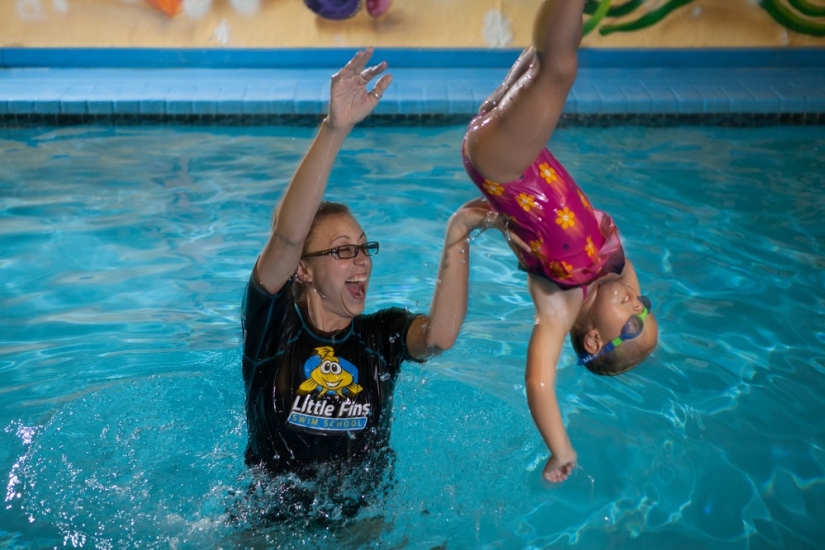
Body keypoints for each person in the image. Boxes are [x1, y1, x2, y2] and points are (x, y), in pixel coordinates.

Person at [240, 49, 495, 509]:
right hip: (272, 523)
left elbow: (440, 337)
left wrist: (457, 234)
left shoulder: (381, 334)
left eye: (362, 247)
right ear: (303, 268)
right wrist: (335, 129)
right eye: (341, 251)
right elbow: (287, 235)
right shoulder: (273, 327)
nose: (361, 261)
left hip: (362, 525)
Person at [462, 0, 659, 483]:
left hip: (505, 166)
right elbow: (628, 293)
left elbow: (539, 382)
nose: (637, 304)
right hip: (519, 152)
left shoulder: (561, 305)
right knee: (549, 57)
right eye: (647, 310)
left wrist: (561, 449)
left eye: (631, 325)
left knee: (559, 69)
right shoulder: (612, 272)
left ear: (594, 338)